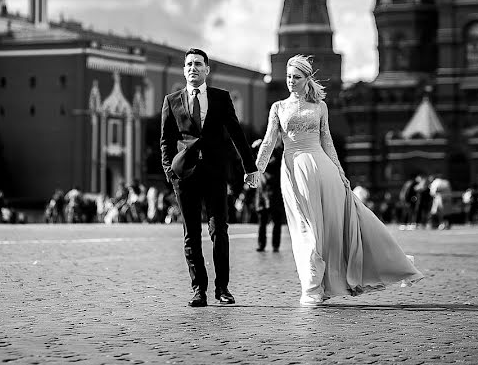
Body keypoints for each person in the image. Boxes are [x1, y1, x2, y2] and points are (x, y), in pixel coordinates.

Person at [254, 55, 423, 306]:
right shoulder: (278, 107)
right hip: (293, 170)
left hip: (323, 168)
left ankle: (339, 279)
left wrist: (341, 172)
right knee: (306, 227)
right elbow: (268, 141)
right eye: (288, 77)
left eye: (296, 77)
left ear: (307, 79)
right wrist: (257, 169)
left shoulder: (320, 107)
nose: (290, 81)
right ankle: (311, 287)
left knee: (335, 225)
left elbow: (327, 142)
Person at [160, 48, 257, 307]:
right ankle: (198, 290)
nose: (193, 68)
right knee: (191, 234)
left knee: (219, 231)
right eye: (189, 64)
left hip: (215, 174)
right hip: (185, 176)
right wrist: (170, 171)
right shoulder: (172, 100)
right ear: (184, 70)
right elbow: (166, 141)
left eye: (198, 64)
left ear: (207, 70)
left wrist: (250, 167)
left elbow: (236, 133)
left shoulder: (221, 98)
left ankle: (222, 288)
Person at [252, 138, 283, 253]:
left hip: (274, 192)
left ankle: (275, 245)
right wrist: (256, 148)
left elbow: (271, 163)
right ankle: (262, 244)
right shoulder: (259, 157)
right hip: (262, 192)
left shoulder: (276, 155)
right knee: (262, 222)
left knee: (276, 221)